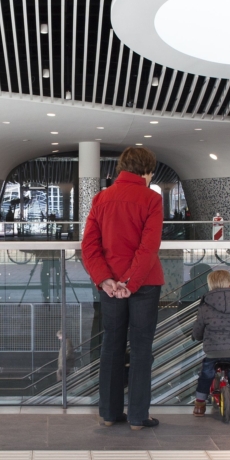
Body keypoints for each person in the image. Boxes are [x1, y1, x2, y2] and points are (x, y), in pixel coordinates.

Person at [82, 145, 164, 430]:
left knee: (111, 344)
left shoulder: (101, 198)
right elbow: (149, 246)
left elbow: (89, 245)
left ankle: (108, 413)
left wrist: (106, 280)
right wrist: (131, 281)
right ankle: (138, 417)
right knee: (141, 348)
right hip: (144, 283)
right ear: (146, 170)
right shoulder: (152, 199)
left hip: (110, 286)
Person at [190, 269, 230, 418]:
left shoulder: (205, 306)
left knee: (206, 375)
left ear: (210, 286)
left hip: (213, 350)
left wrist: (197, 336)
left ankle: (199, 406)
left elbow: (199, 327)